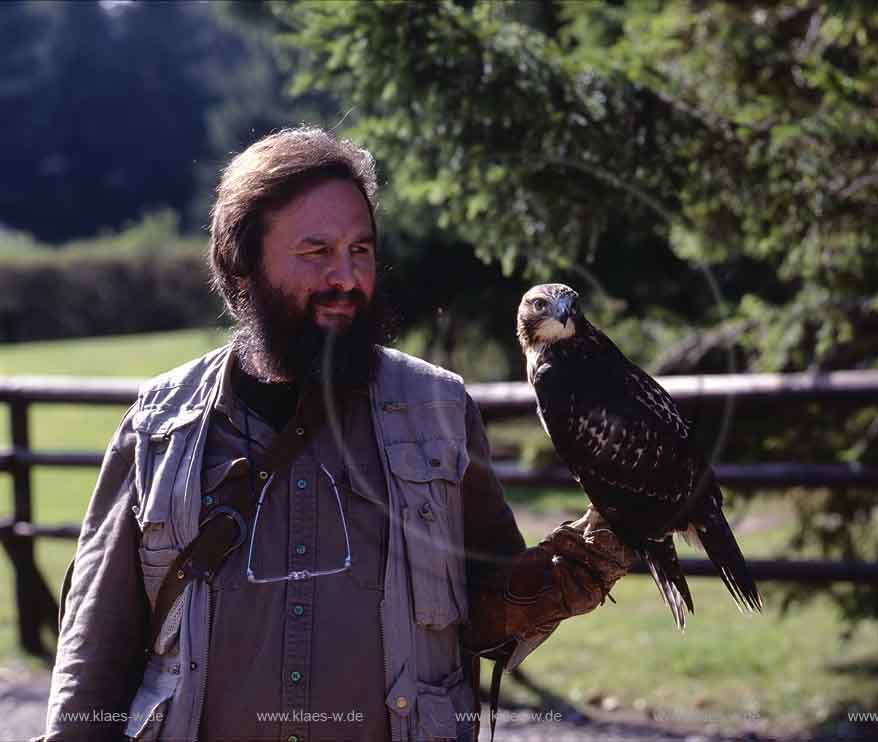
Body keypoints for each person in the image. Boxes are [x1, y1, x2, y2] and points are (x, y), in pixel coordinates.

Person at [42, 127, 633, 742]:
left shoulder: (439, 408)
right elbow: (94, 648)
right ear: (240, 266)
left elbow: (488, 608)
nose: (347, 277)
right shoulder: (158, 425)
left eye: (361, 250)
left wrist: (567, 575)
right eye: (316, 251)